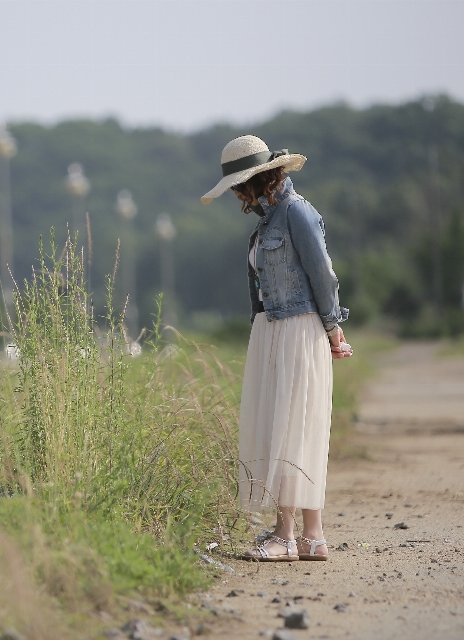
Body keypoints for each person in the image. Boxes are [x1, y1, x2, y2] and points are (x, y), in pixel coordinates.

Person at [201, 135, 352, 562]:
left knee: (291, 425)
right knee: (290, 424)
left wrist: (333, 330)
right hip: (273, 328)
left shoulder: (296, 213)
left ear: (257, 179)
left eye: (237, 186)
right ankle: (312, 537)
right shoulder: (267, 221)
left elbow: (323, 275)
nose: (235, 195)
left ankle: (287, 536)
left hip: (296, 327)